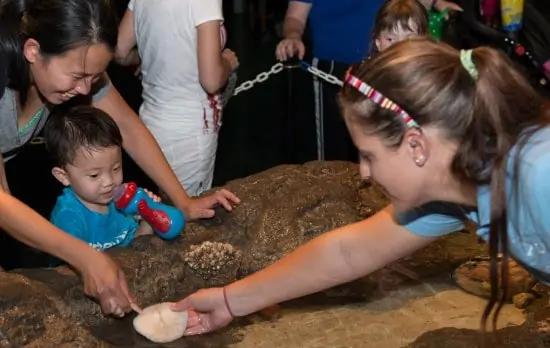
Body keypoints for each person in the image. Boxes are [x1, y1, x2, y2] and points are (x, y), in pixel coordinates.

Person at [172, 38, 550, 335]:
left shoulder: (539, 174)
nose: (364, 173)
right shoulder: (460, 188)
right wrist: (228, 300)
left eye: (369, 155)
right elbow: (349, 252)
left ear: (416, 146)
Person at [0, 0, 239, 316]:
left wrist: (183, 201)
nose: (85, 88)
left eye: (94, 76)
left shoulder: (73, 71)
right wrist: (86, 257)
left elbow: (128, 127)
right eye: (77, 75)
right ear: (33, 51)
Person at [275, 0, 461, 162]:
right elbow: (295, 17)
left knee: (382, 141)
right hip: (329, 68)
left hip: (382, 68)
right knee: (331, 143)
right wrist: (292, 36)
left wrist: (438, 3)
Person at [115, 0, 239, 197]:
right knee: (186, 217)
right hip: (190, 131)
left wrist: (151, 59)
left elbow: (120, 52)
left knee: (161, 208)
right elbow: (211, 80)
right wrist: (227, 62)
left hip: (151, 122)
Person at [45, 106, 162, 252]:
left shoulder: (124, 201)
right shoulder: (69, 220)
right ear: (63, 176)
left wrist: (148, 218)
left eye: (116, 168)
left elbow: (136, 248)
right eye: (94, 175)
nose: (109, 182)